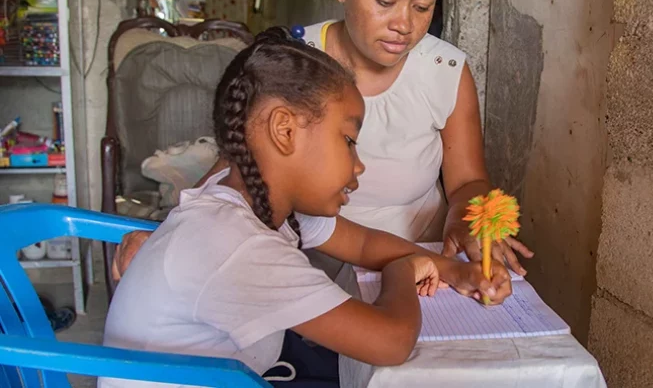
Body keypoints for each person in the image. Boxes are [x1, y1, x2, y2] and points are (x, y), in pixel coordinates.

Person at [113, 0, 533, 279]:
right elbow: (236, 166)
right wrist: (166, 234)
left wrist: (465, 220)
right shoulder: (294, 62)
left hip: (417, 258)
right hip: (302, 258)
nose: (404, 24)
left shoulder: (446, 71)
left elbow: (469, 180)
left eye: (423, 7)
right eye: (385, 1)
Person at [100, 27, 511, 388]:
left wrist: (455, 271)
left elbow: (364, 244)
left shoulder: (259, 203)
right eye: (348, 140)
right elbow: (391, 342)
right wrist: (404, 270)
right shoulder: (238, 244)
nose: (359, 163)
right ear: (284, 131)